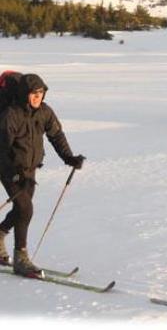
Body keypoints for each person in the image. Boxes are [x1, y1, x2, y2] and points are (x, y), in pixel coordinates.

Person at [0, 73, 85, 276]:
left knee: (22, 210)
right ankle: (21, 259)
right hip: (9, 168)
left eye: (41, 93)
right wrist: (13, 173)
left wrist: (69, 158)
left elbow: (56, 134)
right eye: (34, 94)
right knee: (25, 208)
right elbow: (1, 149)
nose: (38, 97)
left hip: (29, 169)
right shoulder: (11, 114)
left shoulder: (44, 112)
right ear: (24, 94)